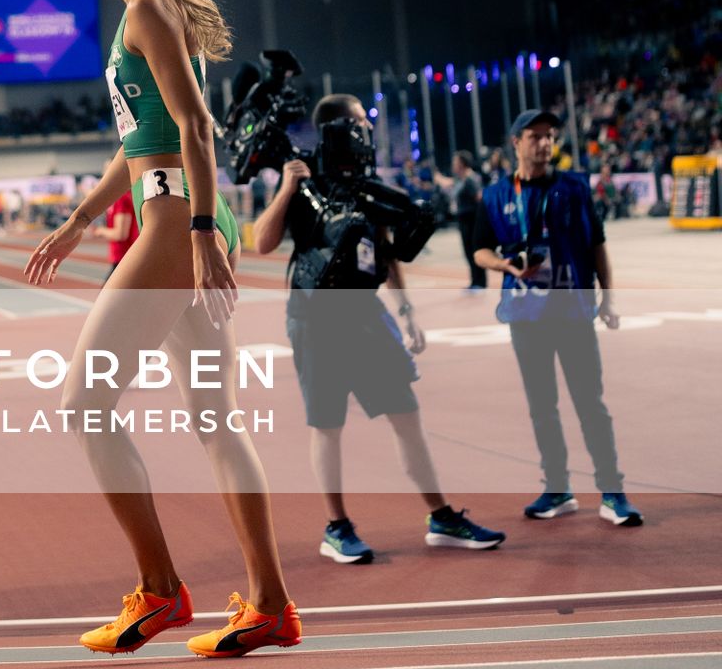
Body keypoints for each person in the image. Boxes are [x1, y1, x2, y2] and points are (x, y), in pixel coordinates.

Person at [26, 0, 300, 659]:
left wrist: (207, 233)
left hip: (180, 221)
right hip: (176, 213)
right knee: (217, 419)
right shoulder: (141, 12)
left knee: (84, 402)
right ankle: (271, 606)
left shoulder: (147, 7)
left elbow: (197, 129)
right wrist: (81, 220)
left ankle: (159, 590)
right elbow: (141, 139)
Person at [255, 96, 505, 566]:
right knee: (327, 424)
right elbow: (263, 240)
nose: (364, 127)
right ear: (333, 126)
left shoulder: (365, 183)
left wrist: (406, 310)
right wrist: (287, 188)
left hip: (367, 313)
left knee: (407, 415)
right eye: (355, 120)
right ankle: (337, 527)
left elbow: (384, 252)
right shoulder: (303, 176)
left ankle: (442, 516)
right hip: (315, 316)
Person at [472, 108, 642, 528]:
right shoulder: (495, 196)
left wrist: (608, 298)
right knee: (542, 405)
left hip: (572, 311)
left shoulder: (574, 187)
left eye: (550, 137)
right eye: (535, 136)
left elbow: (597, 244)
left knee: (590, 403)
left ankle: (612, 491)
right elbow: (479, 249)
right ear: (516, 143)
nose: (545, 144)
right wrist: (507, 267)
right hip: (525, 314)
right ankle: (558, 487)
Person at [436, 151, 485, 289]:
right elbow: (450, 186)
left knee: (474, 251)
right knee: (468, 252)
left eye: (455, 162)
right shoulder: (462, 179)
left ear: (462, 164)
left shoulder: (470, 179)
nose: (453, 165)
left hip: (472, 219)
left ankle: (480, 282)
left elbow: (479, 197)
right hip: (464, 219)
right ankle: (475, 280)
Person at [97, 189, 136, 281]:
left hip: (123, 257)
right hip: (125, 257)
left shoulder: (121, 198)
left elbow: (121, 234)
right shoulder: (122, 196)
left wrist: (101, 231)